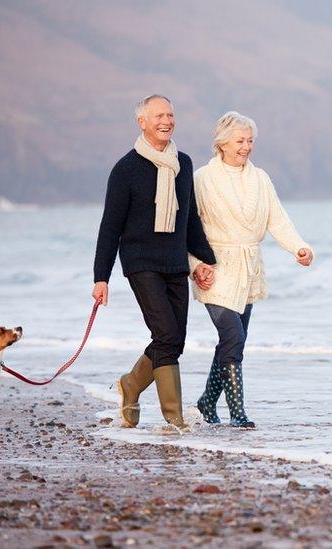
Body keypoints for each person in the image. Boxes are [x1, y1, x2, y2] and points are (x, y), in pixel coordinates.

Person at [92, 94, 217, 431]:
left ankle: (130, 385)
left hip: (175, 262)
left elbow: (189, 219)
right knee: (165, 333)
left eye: (171, 115)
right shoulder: (126, 169)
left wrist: (206, 260)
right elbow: (110, 226)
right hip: (140, 262)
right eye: (159, 115)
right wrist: (101, 277)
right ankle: (174, 418)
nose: (167, 121)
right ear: (142, 122)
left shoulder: (184, 164)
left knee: (174, 340)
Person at [190, 111, 313, 429]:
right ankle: (237, 413)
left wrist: (298, 247)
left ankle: (206, 403)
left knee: (233, 341)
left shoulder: (260, 178)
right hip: (214, 267)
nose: (246, 147)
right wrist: (195, 265)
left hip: (249, 267)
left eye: (250, 141)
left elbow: (277, 218)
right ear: (222, 143)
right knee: (233, 335)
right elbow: (190, 227)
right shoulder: (203, 178)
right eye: (240, 141)